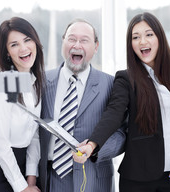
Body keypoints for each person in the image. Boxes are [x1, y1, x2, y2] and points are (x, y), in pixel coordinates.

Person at [75, 12, 170, 192]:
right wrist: (92, 144)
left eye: (148, 34)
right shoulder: (126, 78)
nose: (142, 42)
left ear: (159, 38)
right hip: (139, 179)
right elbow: (113, 113)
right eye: (135, 37)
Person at [38, 19, 126, 192]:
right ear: (63, 41)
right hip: (51, 180)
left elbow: (122, 134)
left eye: (84, 40)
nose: (77, 45)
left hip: (94, 179)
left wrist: (94, 150)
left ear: (96, 46)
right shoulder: (41, 81)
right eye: (71, 39)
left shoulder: (111, 84)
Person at [0, 17, 44, 192]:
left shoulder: (36, 81)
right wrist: (21, 186)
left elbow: (34, 135)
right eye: (14, 45)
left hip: (19, 167)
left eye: (27, 40)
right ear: (7, 52)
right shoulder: (5, 81)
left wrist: (31, 179)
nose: (23, 48)